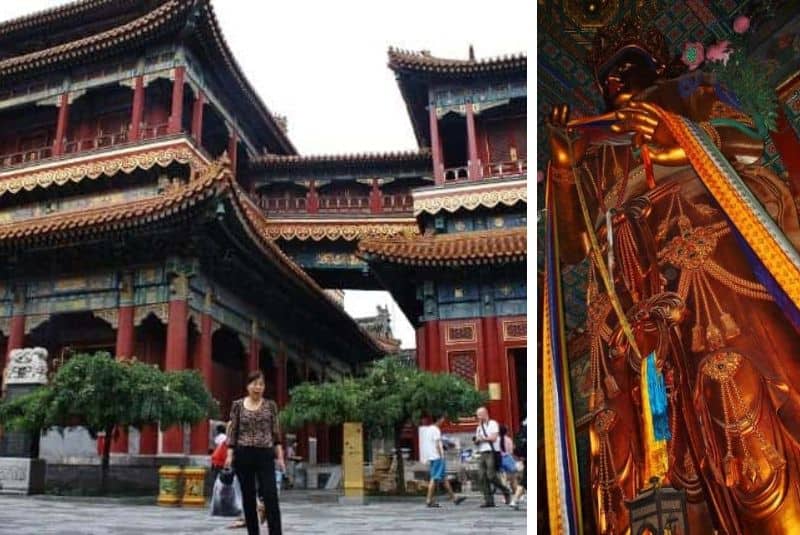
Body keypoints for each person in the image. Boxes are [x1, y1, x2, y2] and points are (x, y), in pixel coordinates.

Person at [225, 370, 285, 535]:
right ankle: (253, 532)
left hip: (265, 453)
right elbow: (233, 432)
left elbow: (276, 433)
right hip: (243, 454)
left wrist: (280, 456)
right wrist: (229, 455)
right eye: (254, 384)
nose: (258, 387)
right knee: (248, 497)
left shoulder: (270, 405)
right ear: (247, 386)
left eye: (261, 384)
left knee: (270, 495)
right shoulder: (237, 405)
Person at [421, 415, 466, 508]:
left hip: (432, 456)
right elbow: (437, 444)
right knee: (434, 478)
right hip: (437, 456)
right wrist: (441, 455)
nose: (443, 420)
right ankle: (428, 500)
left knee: (444, 478)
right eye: (442, 419)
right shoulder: (436, 430)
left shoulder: (429, 429)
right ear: (439, 419)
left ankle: (454, 498)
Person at [473, 407, 511, 507]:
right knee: (481, 476)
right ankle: (488, 500)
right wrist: (477, 440)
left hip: (492, 452)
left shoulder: (493, 423)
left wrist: (482, 439)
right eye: (477, 415)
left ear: (485, 414)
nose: (478, 417)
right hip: (482, 452)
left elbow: (493, 438)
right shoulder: (479, 427)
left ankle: (505, 491)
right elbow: (477, 440)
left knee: (491, 475)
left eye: (479, 415)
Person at [497, 424, 517, 493]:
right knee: (513, 477)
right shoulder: (509, 440)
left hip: (500, 459)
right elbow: (511, 451)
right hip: (508, 458)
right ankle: (515, 491)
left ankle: (505, 492)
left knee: (503, 477)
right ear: (506, 432)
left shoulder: (497, 440)